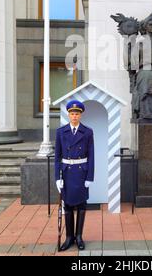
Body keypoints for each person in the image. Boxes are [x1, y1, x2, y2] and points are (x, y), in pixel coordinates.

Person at [55, 100, 95, 251]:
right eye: (72, 113)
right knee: (68, 206)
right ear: (68, 114)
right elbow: (57, 156)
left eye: (77, 113)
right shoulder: (60, 132)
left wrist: (90, 177)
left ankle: (79, 236)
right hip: (67, 173)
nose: (74, 116)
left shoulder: (88, 131)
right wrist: (57, 178)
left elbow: (91, 156)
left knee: (82, 205)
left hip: (81, 172)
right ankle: (68, 237)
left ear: (81, 115)